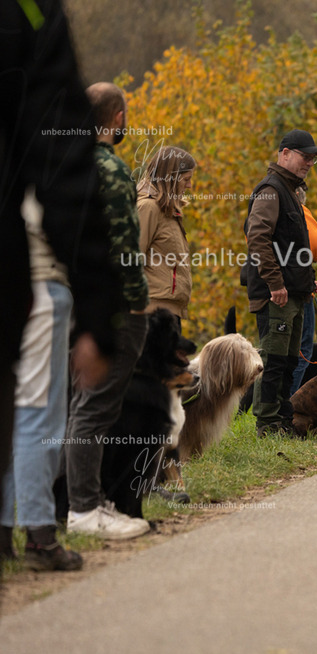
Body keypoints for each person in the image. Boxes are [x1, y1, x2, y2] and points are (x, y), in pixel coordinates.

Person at [1, 1, 122, 563]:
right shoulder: (29, 12)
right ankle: (38, 532)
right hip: (39, 274)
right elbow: (62, 178)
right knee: (37, 410)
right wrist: (99, 309)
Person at [63, 83, 152, 541]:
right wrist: (138, 301)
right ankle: (85, 508)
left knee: (73, 405)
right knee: (96, 408)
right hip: (110, 305)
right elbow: (123, 247)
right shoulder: (112, 170)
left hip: (62, 300)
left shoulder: (61, 165)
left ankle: (69, 504)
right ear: (117, 118)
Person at [0, 193, 81, 570]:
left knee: (13, 413)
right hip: (37, 283)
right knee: (38, 416)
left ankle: (5, 535)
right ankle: (40, 537)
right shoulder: (42, 150)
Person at [242, 129, 317, 437]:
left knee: (291, 360)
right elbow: (258, 238)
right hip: (275, 295)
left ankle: (282, 420)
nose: (309, 163)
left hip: (294, 294)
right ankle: (266, 424)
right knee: (274, 361)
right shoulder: (270, 190)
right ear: (285, 153)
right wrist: (276, 284)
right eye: (305, 157)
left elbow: (293, 247)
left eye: (312, 160)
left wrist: (307, 283)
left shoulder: (290, 191)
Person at [137, 145, 196, 325]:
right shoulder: (148, 208)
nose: (190, 185)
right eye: (186, 179)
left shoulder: (168, 211)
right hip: (151, 315)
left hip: (167, 314)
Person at [291, 188, 317, 396]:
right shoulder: (299, 211)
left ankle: (274, 412)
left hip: (283, 285)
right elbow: (316, 245)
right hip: (298, 291)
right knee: (302, 353)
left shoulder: (265, 210)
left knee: (278, 355)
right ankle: (290, 409)